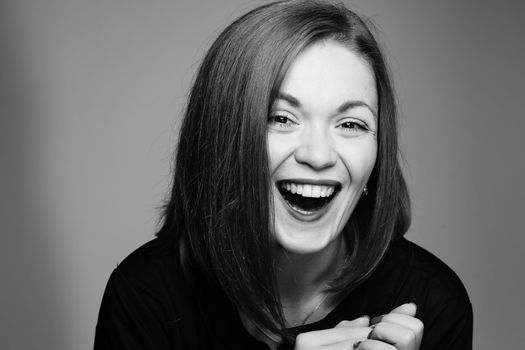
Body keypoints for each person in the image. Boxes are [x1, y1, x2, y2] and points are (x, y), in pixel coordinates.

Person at [94, 1, 472, 349]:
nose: (318, 155)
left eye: (351, 124)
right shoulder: (145, 297)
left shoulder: (433, 302)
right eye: (280, 118)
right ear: (223, 139)